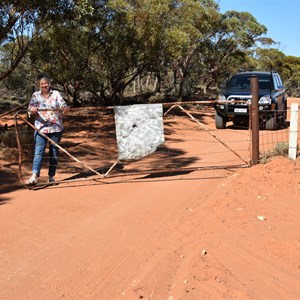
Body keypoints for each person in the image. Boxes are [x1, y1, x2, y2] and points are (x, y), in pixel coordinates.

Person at [26, 74, 70, 186]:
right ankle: (34, 176)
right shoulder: (35, 96)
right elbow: (30, 110)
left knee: (54, 153)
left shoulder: (56, 94)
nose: (44, 85)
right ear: (39, 85)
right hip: (41, 128)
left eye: (46, 83)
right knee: (38, 152)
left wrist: (65, 108)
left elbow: (63, 105)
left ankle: (51, 177)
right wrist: (33, 110)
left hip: (56, 128)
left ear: (49, 84)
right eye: (42, 84)